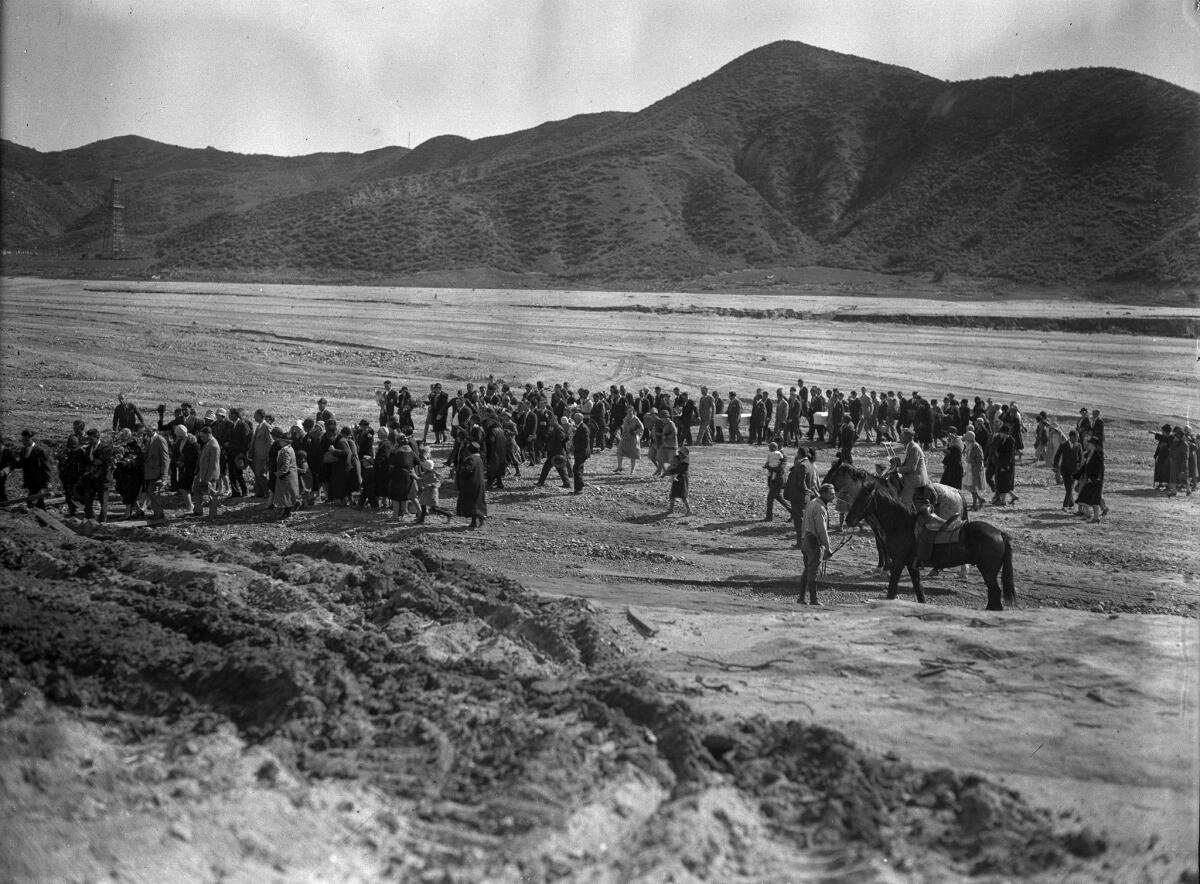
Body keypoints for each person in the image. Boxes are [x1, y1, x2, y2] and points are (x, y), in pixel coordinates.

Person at [797, 484, 835, 606]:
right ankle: (814, 600)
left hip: (805, 540)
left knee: (807, 570)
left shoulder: (812, 503)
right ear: (823, 494)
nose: (833, 495)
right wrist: (828, 547)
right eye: (831, 493)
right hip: (814, 542)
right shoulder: (820, 508)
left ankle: (801, 598)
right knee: (813, 572)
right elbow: (821, 530)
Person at [784, 448, 819, 548]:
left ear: (799, 454)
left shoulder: (802, 465)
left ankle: (801, 542)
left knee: (799, 521)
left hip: (799, 496)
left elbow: (801, 482)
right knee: (804, 520)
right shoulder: (810, 465)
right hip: (806, 496)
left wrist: (805, 489)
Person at [14, 430, 51, 509]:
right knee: (37, 500)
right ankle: (38, 515)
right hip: (29, 480)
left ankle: (38, 516)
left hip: (38, 481)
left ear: (31, 439)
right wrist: (10, 466)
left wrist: (47, 482)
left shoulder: (40, 451)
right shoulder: (23, 450)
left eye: (26, 440)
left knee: (35, 500)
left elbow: (46, 467)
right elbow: (21, 463)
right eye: (23, 440)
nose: (24, 442)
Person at [142, 424, 172, 523]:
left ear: (154, 430)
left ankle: (159, 514)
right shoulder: (149, 439)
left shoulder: (160, 439)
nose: (147, 432)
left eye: (149, 430)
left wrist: (164, 475)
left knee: (153, 492)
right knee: (151, 492)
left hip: (157, 472)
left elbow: (165, 458)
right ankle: (157, 513)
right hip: (150, 471)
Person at [191, 425, 221, 519]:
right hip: (202, 473)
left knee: (212, 495)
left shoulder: (214, 446)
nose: (201, 439)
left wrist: (208, 478)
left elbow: (213, 464)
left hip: (209, 475)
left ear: (209, 434)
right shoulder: (208, 443)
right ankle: (198, 510)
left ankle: (213, 515)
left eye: (203, 436)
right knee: (197, 490)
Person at [456, 441, 487, 529]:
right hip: (478, 483)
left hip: (471, 484)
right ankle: (475, 521)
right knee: (476, 502)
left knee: (471, 502)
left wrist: (461, 471)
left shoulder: (471, 459)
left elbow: (467, 470)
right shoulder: (479, 458)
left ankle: (479, 518)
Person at [894, 428, 929, 505]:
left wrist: (896, 469)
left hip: (915, 480)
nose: (899, 437)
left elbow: (912, 468)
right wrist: (898, 464)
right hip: (913, 476)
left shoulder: (914, 448)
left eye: (901, 436)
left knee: (904, 503)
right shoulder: (911, 446)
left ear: (906, 437)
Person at [270, 427, 300, 517]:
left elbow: (286, 467)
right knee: (289, 494)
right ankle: (291, 508)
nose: (279, 442)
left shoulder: (285, 451)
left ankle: (287, 512)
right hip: (290, 476)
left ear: (285, 441)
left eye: (281, 440)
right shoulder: (289, 449)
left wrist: (278, 473)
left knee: (286, 495)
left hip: (286, 476)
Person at [992, 424, 1018, 506]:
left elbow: (1009, 455)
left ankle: (1003, 501)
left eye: (1001, 433)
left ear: (1005, 433)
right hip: (1001, 463)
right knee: (1001, 482)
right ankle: (1013, 496)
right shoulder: (1002, 440)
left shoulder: (1010, 440)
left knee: (1005, 482)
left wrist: (1005, 466)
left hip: (1007, 465)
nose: (1000, 434)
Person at [763, 442, 790, 521]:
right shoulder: (772, 455)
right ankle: (793, 512)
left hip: (778, 480)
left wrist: (768, 467)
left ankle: (769, 517)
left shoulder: (782, 456)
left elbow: (779, 469)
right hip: (773, 480)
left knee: (770, 498)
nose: (770, 449)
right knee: (779, 498)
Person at [663, 445, 692, 515]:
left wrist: (668, 472)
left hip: (682, 481)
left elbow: (677, 470)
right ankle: (671, 510)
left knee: (683, 496)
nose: (679, 454)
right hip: (677, 481)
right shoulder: (681, 461)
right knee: (672, 495)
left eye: (680, 453)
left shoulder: (685, 464)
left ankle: (689, 510)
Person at [962, 430, 986, 511]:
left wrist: (977, 468)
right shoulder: (969, 445)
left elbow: (980, 458)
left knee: (972, 487)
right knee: (970, 487)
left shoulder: (975, 446)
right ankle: (979, 500)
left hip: (974, 469)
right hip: (970, 467)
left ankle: (975, 505)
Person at [616, 409, 643, 474]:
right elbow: (624, 427)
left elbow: (642, 428)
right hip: (625, 438)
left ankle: (632, 470)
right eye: (628, 412)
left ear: (633, 412)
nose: (629, 414)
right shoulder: (625, 418)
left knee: (633, 455)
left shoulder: (636, 419)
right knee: (619, 451)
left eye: (631, 412)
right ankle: (619, 467)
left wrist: (635, 432)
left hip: (633, 439)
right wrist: (621, 434)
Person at [1168, 426, 1192, 496]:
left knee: (1185, 476)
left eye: (1176, 436)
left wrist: (1183, 467)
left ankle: (1188, 490)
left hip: (1182, 463)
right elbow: (1172, 450)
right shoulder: (1176, 443)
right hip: (1176, 462)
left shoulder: (1184, 444)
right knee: (1174, 476)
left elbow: (1185, 456)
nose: (1175, 437)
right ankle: (1174, 491)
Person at [571, 411, 590, 493]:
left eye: (575, 419)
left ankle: (579, 488)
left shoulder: (583, 428)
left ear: (579, 419)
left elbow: (585, 443)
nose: (574, 420)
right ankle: (578, 487)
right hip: (580, 452)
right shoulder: (581, 427)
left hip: (581, 452)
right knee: (579, 469)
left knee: (576, 469)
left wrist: (575, 447)